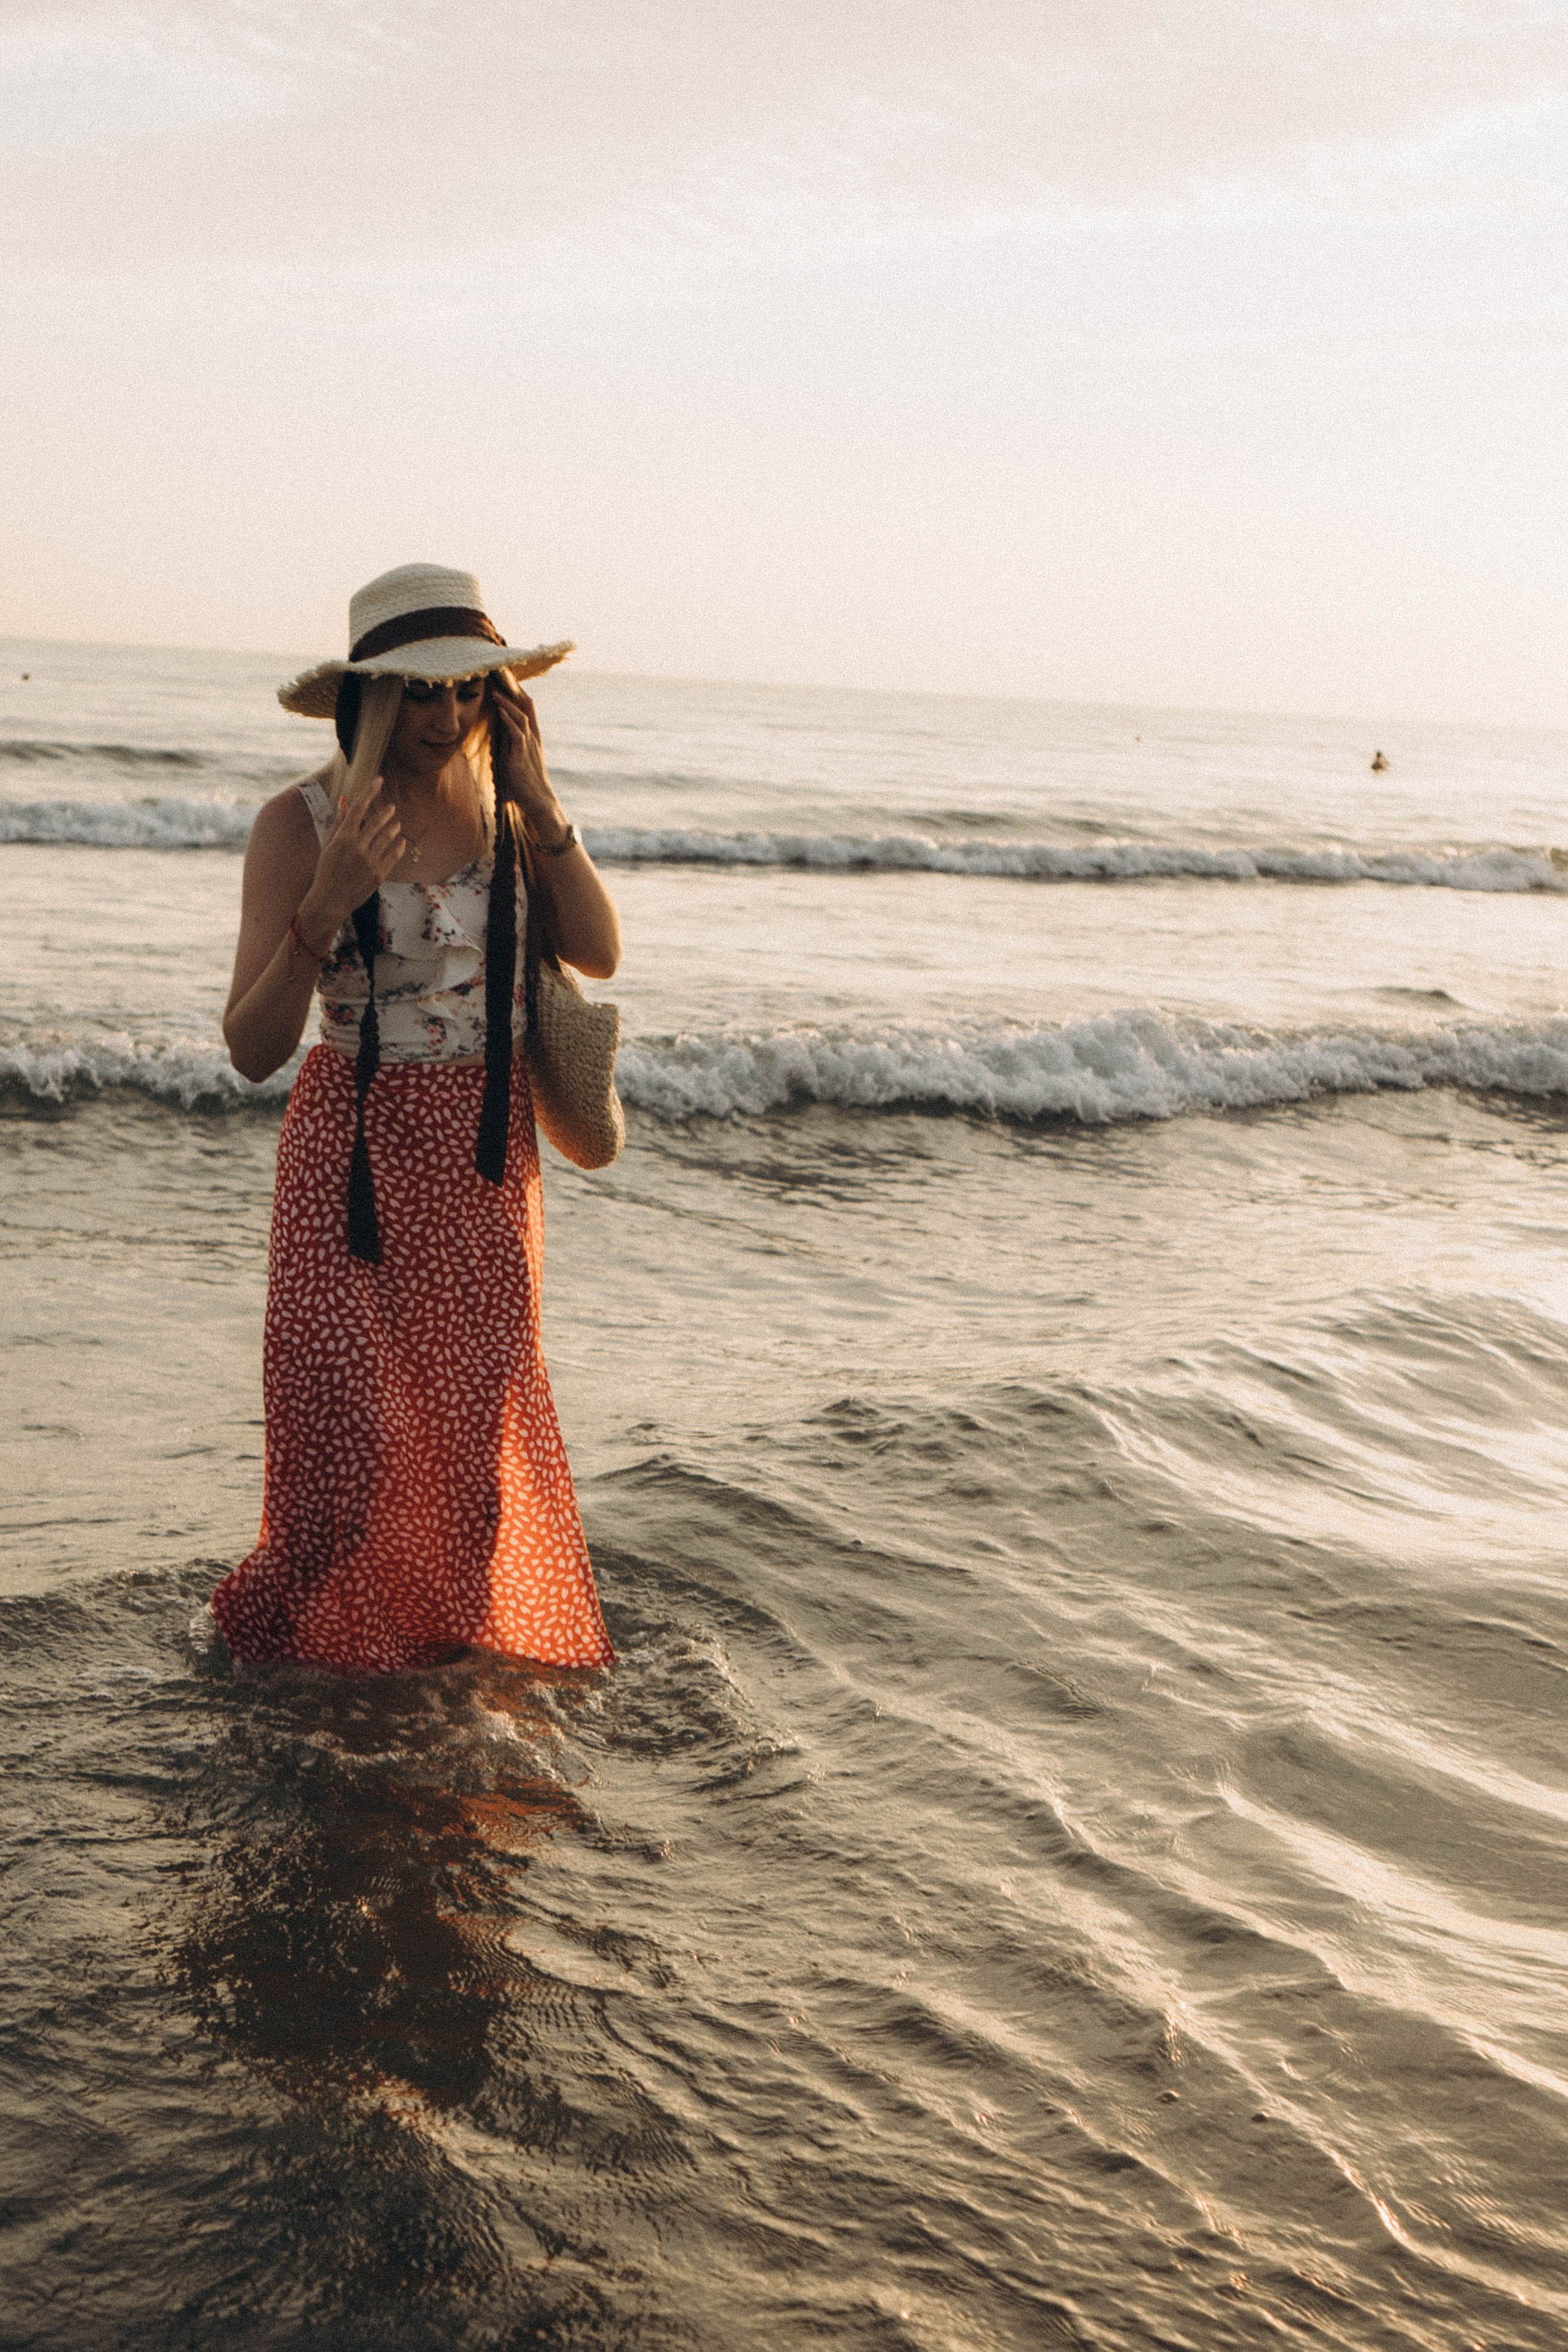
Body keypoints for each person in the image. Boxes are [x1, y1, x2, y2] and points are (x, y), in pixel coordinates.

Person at [210, 564, 620, 1675]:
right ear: (370, 698)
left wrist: (540, 802)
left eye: (471, 691)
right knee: (345, 1442)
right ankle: (309, 1675)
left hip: (486, 1164)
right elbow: (252, 1050)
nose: (448, 717)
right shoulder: (296, 824)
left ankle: (435, 1684)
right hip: (347, 1157)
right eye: (423, 693)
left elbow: (597, 951)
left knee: (469, 1453)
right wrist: (327, 899)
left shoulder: (505, 813)